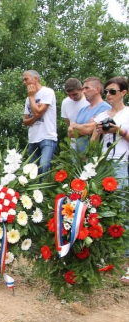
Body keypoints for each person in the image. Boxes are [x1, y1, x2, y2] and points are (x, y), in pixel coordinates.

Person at [90, 76, 129, 284]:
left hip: (121, 165)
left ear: (124, 92)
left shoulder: (128, 113)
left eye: (112, 91)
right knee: (102, 211)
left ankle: (127, 263)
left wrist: (119, 130)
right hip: (103, 165)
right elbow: (92, 146)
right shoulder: (102, 114)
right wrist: (97, 132)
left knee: (122, 212)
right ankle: (105, 257)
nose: (108, 95)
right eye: (106, 91)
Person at [22, 70, 58, 175]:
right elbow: (25, 121)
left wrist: (32, 97)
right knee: (32, 172)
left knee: (44, 166)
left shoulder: (47, 92)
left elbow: (38, 111)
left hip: (47, 137)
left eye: (26, 79)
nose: (24, 82)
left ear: (36, 79)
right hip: (33, 138)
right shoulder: (28, 99)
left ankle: (44, 191)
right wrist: (35, 117)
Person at [69, 77, 111, 153]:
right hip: (77, 157)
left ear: (97, 89)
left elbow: (89, 129)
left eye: (87, 88)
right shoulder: (82, 110)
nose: (84, 91)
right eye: (83, 89)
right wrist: (86, 127)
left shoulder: (106, 108)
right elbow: (70, 132)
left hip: (93, 157)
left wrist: (75, 126)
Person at [61, 78, 89, 150]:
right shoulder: (65, 102)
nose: (72, 97)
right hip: (74, 142)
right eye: (69, 95)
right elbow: (68, 123)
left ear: (81, 89)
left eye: (74, 94)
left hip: (89, 140)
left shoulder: (89, 100)